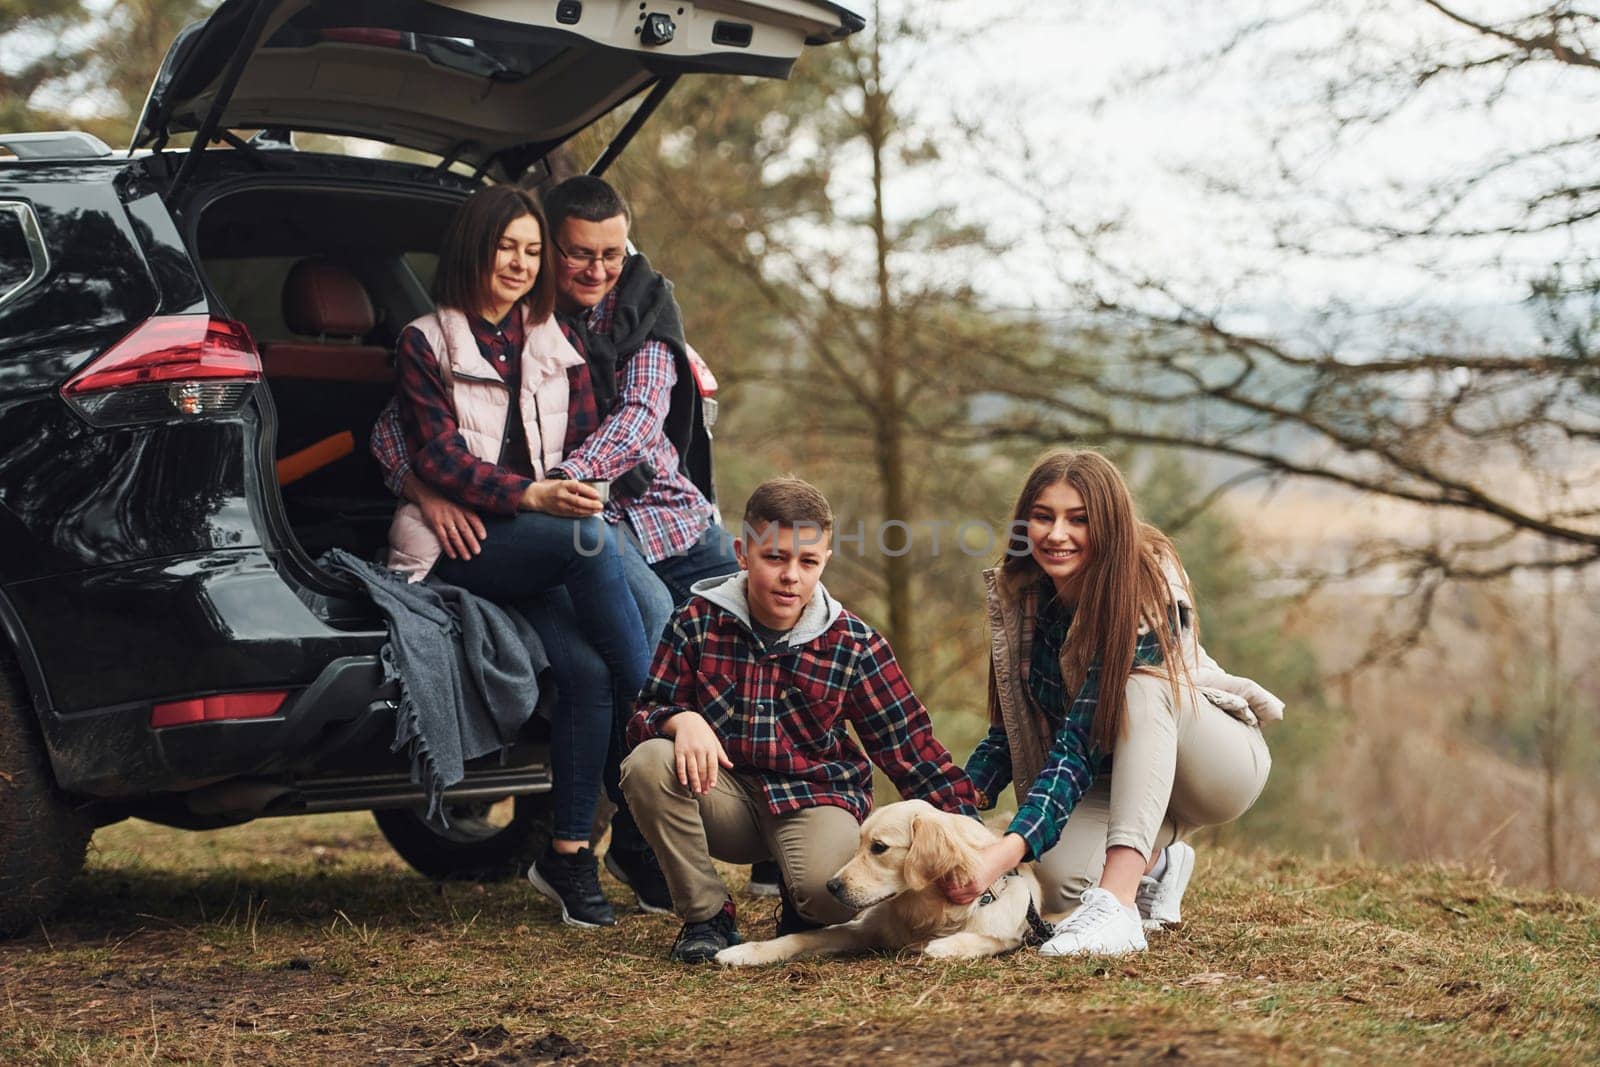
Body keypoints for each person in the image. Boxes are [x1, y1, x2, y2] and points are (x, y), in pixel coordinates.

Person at [372, 175, 742, 912]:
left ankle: (575, 854)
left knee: (600, 665)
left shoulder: (599, 328)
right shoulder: (437, 337)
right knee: (611, 581)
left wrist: (555, 486)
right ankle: (662, 718)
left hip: (624, 521)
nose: (592, 269)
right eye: (562, 252)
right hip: (526, 533)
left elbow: (620, 427)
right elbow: (406, 439)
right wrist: (433, 488)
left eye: (530, 250)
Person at [620, 477, 980, 963]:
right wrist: (680, 721)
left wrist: (974, 847)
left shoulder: (854, 644)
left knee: (834, 900)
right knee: (648, 762)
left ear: (824, 562)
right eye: (775, 558)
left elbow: (911, 749)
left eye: (807, 561)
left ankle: (799, 901)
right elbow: (643, 714)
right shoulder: (696, 620)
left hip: (813, 797)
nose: (792, 575)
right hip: (723, 794)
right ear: (743, 553)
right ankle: (707, 915)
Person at [946, 450, 1280, 956]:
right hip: (1120, 777)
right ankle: (1159, 866)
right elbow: (1012, 731)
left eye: (1079, 519)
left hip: (1215, 763)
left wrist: (1002, 852)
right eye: (1043, 516)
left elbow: (1077, 743)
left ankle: (1120, 904)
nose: (1058, 534)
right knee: (1058, 884)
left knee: (1141, 686)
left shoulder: (1146, 584)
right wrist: (950, 808)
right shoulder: (1025, 598)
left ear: (1110, 524)